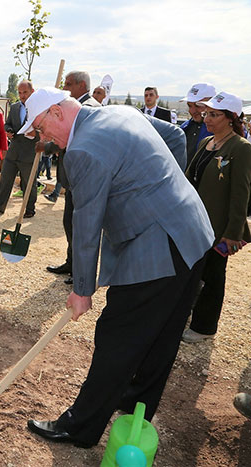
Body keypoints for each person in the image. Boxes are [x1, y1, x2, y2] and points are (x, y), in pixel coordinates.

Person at [21, 87, 213, 449]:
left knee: (116, 333)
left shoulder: (82, 150)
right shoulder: (118, 112)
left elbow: (87, 224)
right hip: (192, 228)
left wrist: (81, 289)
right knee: (162, 333)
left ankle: (80, 427)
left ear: (57, 113)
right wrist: (164, 187)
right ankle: (136, 407)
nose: (45, 141)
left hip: (158, 247)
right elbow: (172, 136)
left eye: (42, 129)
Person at [181, 92, 251, 343]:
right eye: (206, 113)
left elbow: (240, 194)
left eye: (214, 114)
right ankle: (187, 315)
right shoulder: (206, 142)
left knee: (212, 276)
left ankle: (204, 326)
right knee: (191, 272)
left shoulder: (241, 148)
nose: (206, 117)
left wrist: (232, 234)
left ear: (231, 118)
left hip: (219, 227)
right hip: (196, 222)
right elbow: (190, 179)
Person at [45, 71, 101, 285]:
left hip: (85, 180)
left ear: (81, 85)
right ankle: (72, 263)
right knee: (70, 224)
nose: (65, 88)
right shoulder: (73, 107)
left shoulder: (90, 108)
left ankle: (83, 273)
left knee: (82, 228)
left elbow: (71, 139)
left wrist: (48, 146)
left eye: (68, 84)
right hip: (72, 180)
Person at [0, 80, 36, 216]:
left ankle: (30, 209)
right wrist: (8, 130)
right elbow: (7, 124)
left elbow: (45, 129)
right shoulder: (14, 107)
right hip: (13, 151)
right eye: (20, 93)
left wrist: (36, 133)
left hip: (30, 153)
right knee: (5, 178)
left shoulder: (39, 109)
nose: (22, 95)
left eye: (25, 92)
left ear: (32, 91)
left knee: (28, 183)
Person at [179, 82, 215, 168]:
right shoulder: (184, 128)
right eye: (189, 106)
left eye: (198, 105)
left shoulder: (223, 130)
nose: (192, 111)